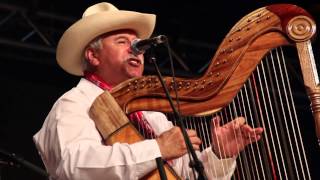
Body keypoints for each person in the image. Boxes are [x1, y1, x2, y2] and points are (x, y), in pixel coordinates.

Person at [33, 2, 264, 180]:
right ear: (93, 56)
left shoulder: (152, 115)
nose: (136, 49)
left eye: (138, 43)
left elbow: (184, 176)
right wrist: (157, 148)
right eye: (122, 42)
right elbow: (74, 166)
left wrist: (219, 154)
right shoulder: (74, 103)